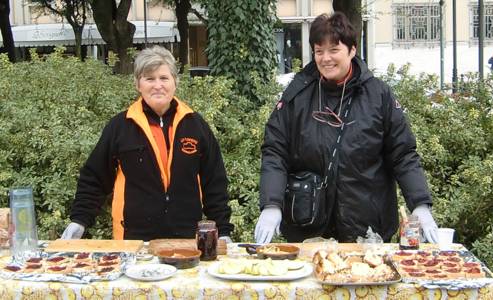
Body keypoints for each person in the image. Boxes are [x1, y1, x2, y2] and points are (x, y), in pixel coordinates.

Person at [254, 12, 439, 244]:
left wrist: (420, 204)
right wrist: (271, 204)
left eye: (334, 50)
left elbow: (403, 154)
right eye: (319, 51)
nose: (325, 58)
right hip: (308, 225)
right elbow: (275, 151)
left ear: (352, 50)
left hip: (367, 225)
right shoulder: (297, 95)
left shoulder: (378, 95)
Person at [61, 46, 233, 242]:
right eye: (149, 79)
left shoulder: (195, 125)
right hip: (134, 238)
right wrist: (80, 220)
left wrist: (223, 229)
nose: (157, 85)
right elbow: (94, 177)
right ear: (138, 84)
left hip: (186, 237)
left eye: (164, 78)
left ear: (175, 82)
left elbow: (215, 181)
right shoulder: (121, 126)